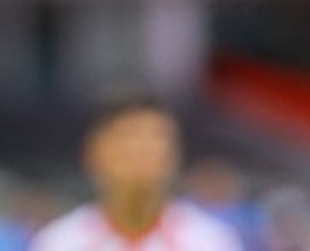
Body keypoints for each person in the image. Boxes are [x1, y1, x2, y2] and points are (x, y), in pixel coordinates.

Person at [29, 94, 242, 251]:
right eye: (128, 137)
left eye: (156, 139)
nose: (141, 150)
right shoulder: (60, 243)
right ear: (93, 154)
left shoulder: (210, 242)